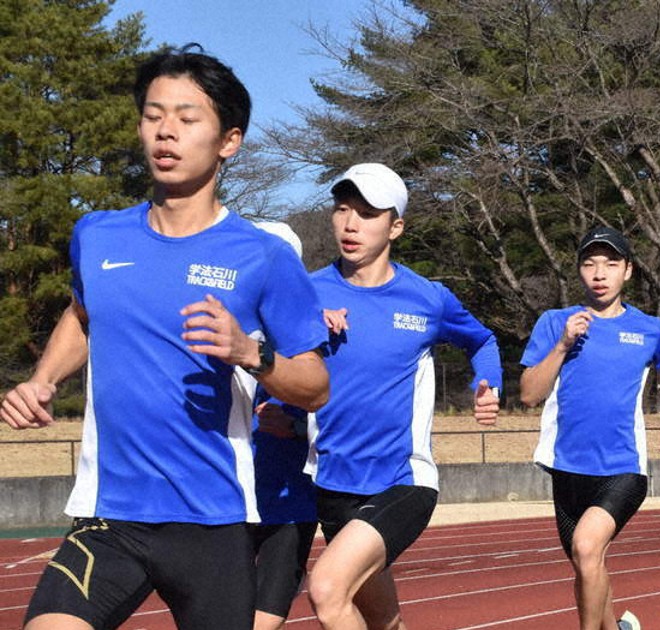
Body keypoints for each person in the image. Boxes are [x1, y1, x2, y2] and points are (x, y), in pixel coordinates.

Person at [0, 46, 331, 630]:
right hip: (109, 517)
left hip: (212, 520)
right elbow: (82, 315)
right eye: (153, 115)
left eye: (186, 117)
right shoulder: (97, 235)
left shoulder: (264, 256)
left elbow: (315, 387)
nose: (166, 132)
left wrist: (250, 353)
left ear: (229, 140)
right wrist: (43, 379)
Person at [303, 163, 503, 630]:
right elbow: (268, 362)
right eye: (342, 209)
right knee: (383, 621)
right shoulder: (305, 291)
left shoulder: (427, 298)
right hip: (332, 481)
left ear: (395, 226)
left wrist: (488, 383)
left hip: (401, 479)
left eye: (368, 214)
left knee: (327, 590)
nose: (350, 224)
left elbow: (484, 341)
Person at [520, 226, 660, 630]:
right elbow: (528, 394)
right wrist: (561, 346)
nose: (600, 273)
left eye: (610, 264)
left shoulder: (650, 329)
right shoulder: (555, 322)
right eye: (590, 264)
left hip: (622, 468)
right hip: (567, 468)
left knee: (586, 547)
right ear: (579, 271)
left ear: (627, 271)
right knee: (587, 564)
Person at [243, 222, 320, 630]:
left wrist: (295, 426)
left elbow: (342, 408)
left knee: (263, 619)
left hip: (288, 503)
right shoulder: (216, 323)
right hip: (227, 502)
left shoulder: (313, 331)